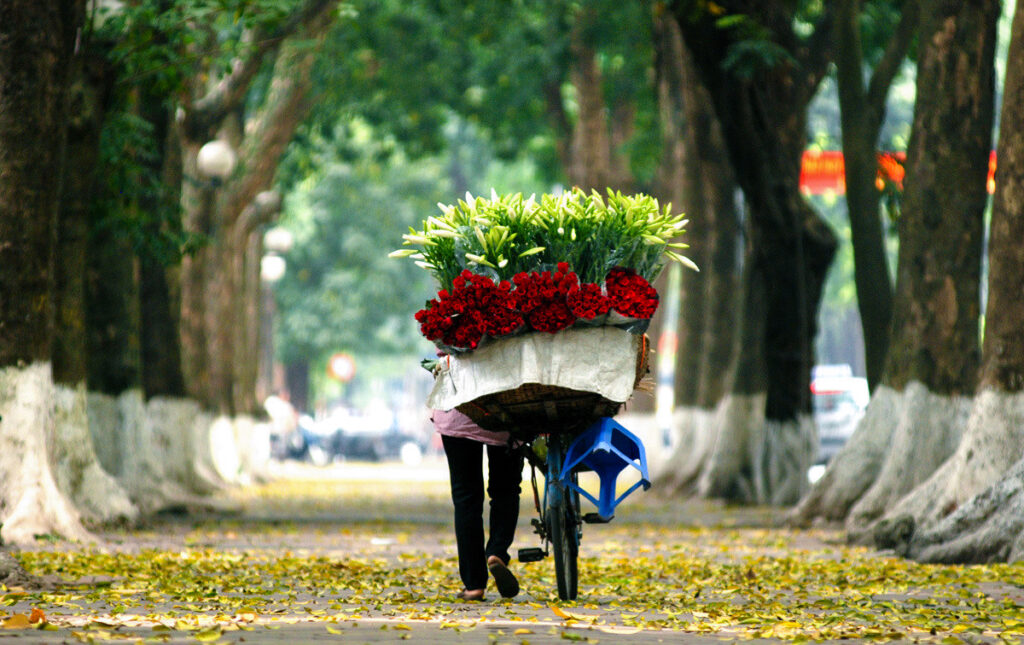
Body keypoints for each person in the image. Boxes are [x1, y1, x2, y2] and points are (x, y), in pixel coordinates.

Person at [432, 407, 524, 601]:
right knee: (505, 490)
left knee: (466, 496)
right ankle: (497, 552)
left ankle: (474, 585)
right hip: (505, 413)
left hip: (458, 413)